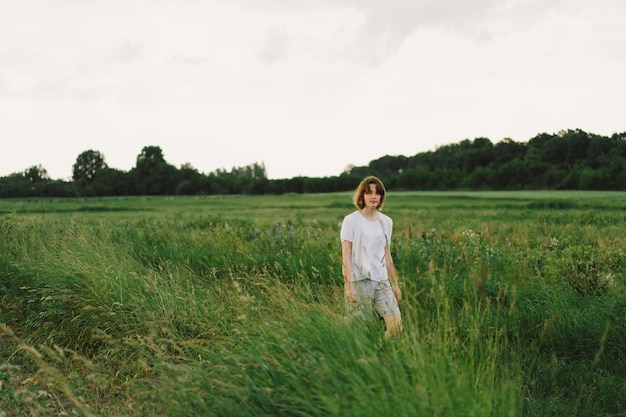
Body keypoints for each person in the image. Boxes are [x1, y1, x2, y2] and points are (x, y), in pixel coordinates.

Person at [340, 175, 402, 338]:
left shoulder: (387, 222)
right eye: (369, 192)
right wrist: (348, 286)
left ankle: (380, 352)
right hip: (359, 282)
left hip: (382, 282)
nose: (373, 196)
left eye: (377, 192)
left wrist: (395, 284)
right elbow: (346, 256)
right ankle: (361, 360)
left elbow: (387, 256)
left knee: (396, 327)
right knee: (359, 332)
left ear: (382, 196)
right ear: (362, 196)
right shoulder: (351, 220)